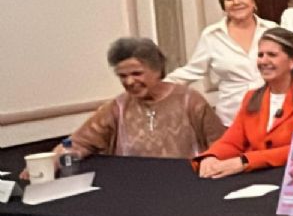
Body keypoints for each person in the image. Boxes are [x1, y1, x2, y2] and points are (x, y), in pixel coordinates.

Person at [30, 38, 225, 170]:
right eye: (123, 76)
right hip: (131, 190)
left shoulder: (190, 100)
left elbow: (222, 145)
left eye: (136, 74)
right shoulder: (118, 107)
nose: (129, 82)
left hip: (187, 186)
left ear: (157, 70)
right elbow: (79, 143)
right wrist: (48, 164)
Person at [195, 28, 293, 177]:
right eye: (260, 55)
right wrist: (211, 156)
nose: (263, 61)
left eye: (272, 55)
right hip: (252, 178)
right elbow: (232, 141)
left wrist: (245, 161)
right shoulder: (251, 97)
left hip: (291, 179)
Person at [165, 0, 277, 126]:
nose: (236, 2)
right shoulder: (212, 35)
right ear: (224, 7)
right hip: (231, 120)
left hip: (273, 116)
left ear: (253, 1)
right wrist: (157, 87)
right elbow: (191, 71)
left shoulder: (273, 30)